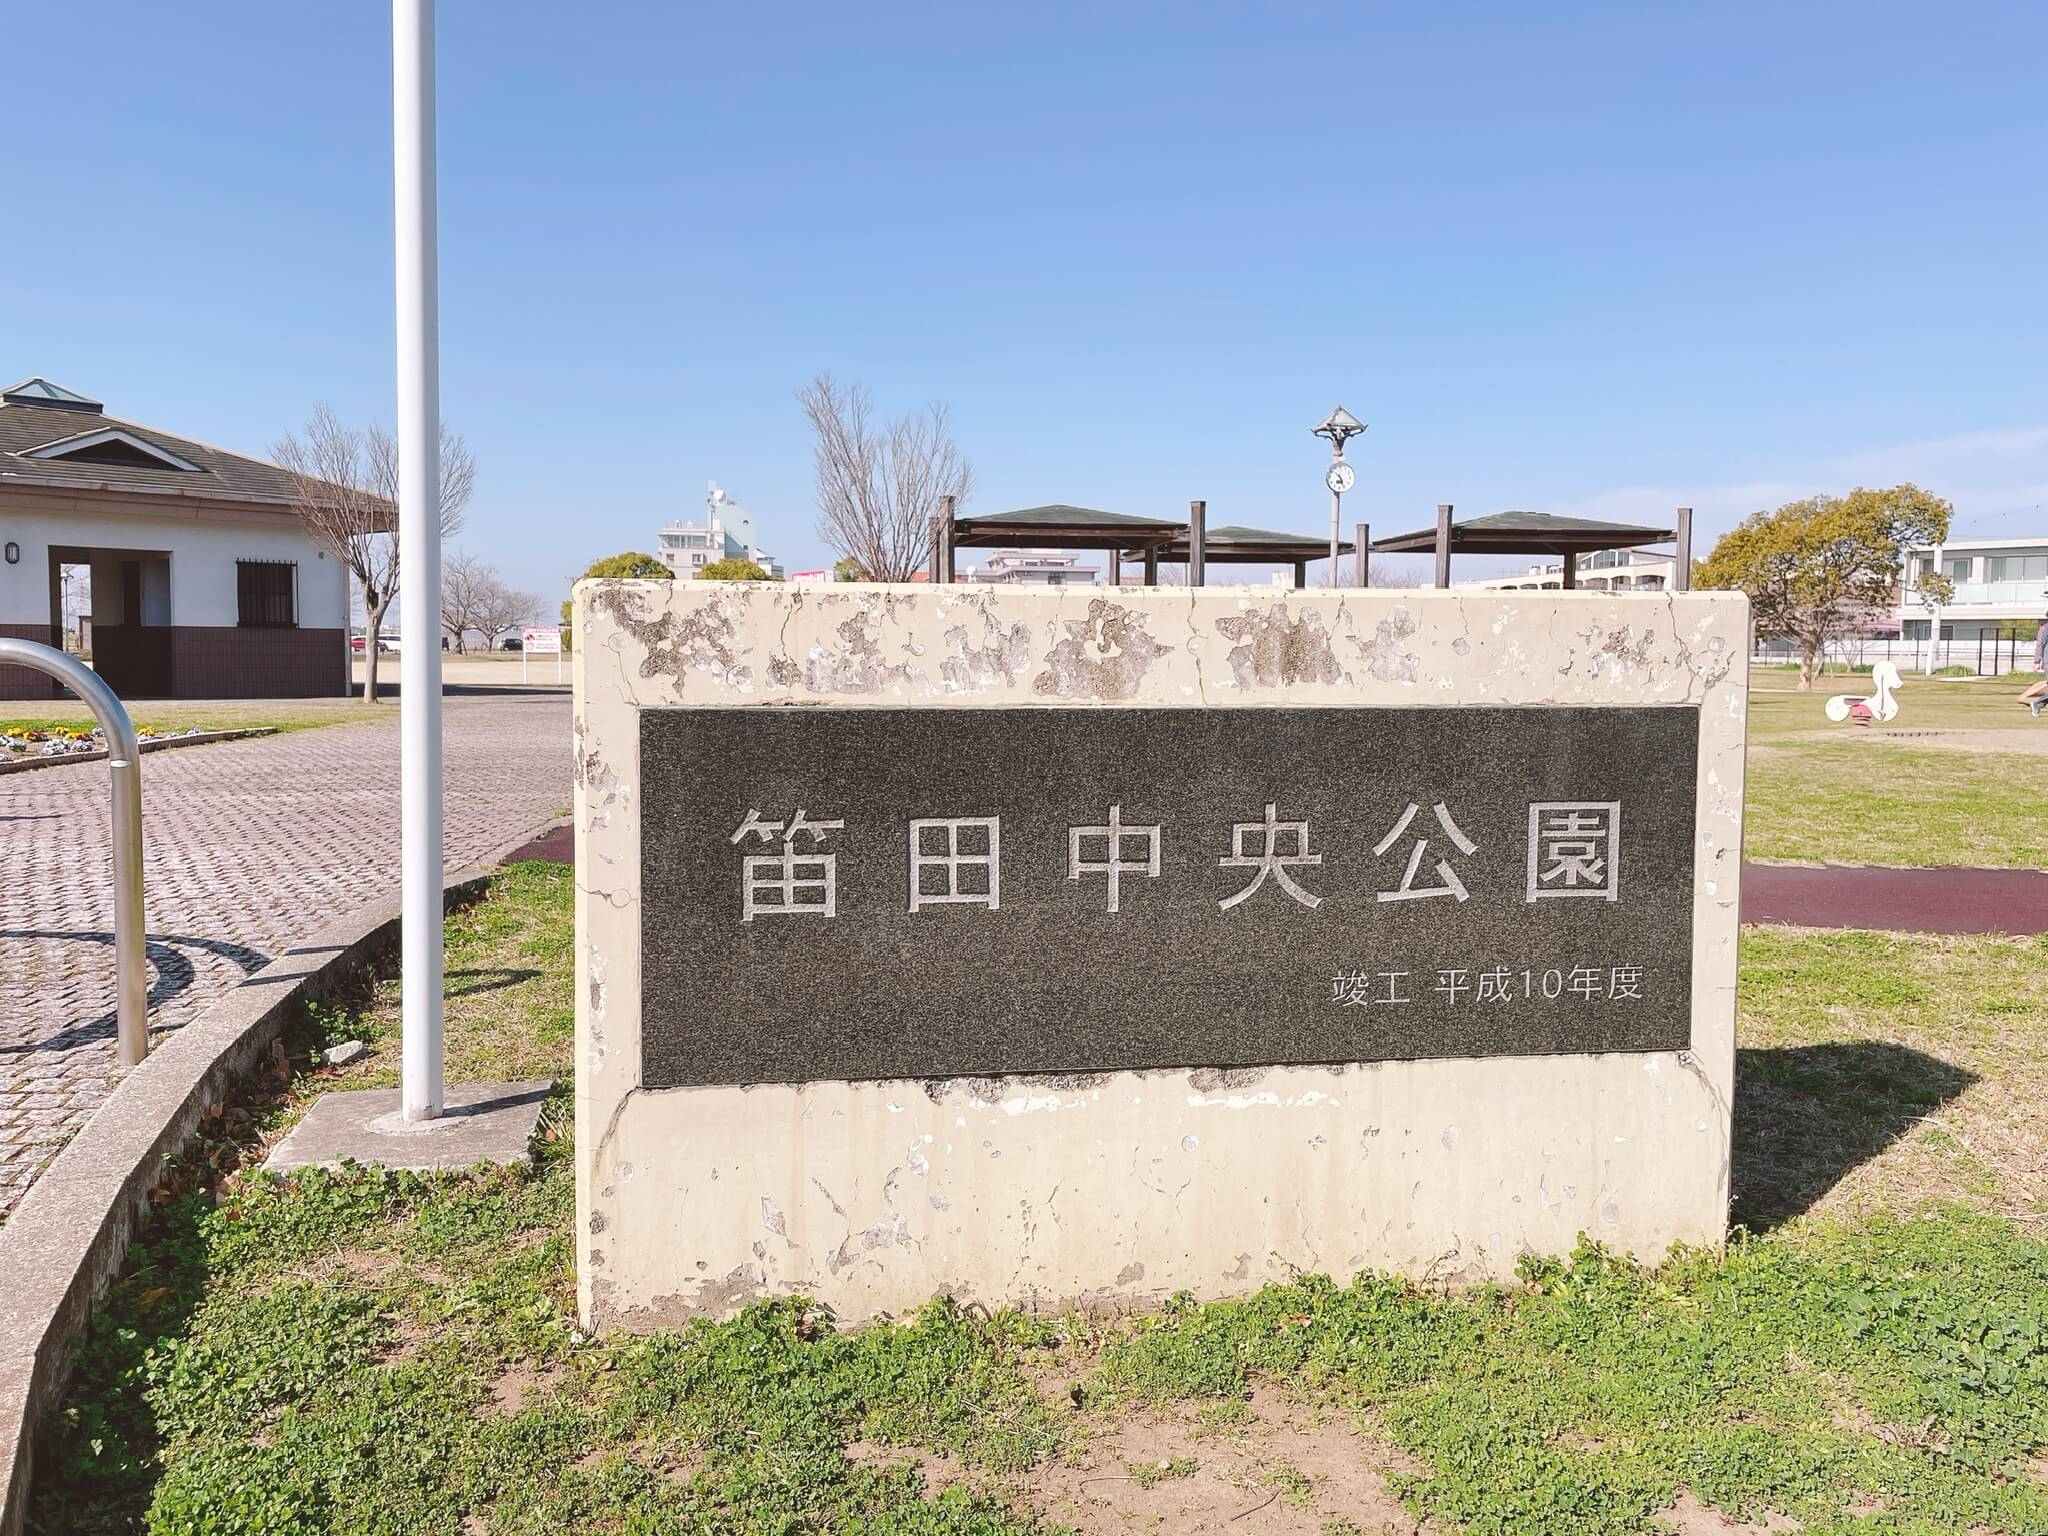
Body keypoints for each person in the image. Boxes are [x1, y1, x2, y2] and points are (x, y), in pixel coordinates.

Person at [2019, 613, 2048, 716]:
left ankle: (2038, 703)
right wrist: (2037, 661)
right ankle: (2038, 703)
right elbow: (2040, 645)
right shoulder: (2044, 629)